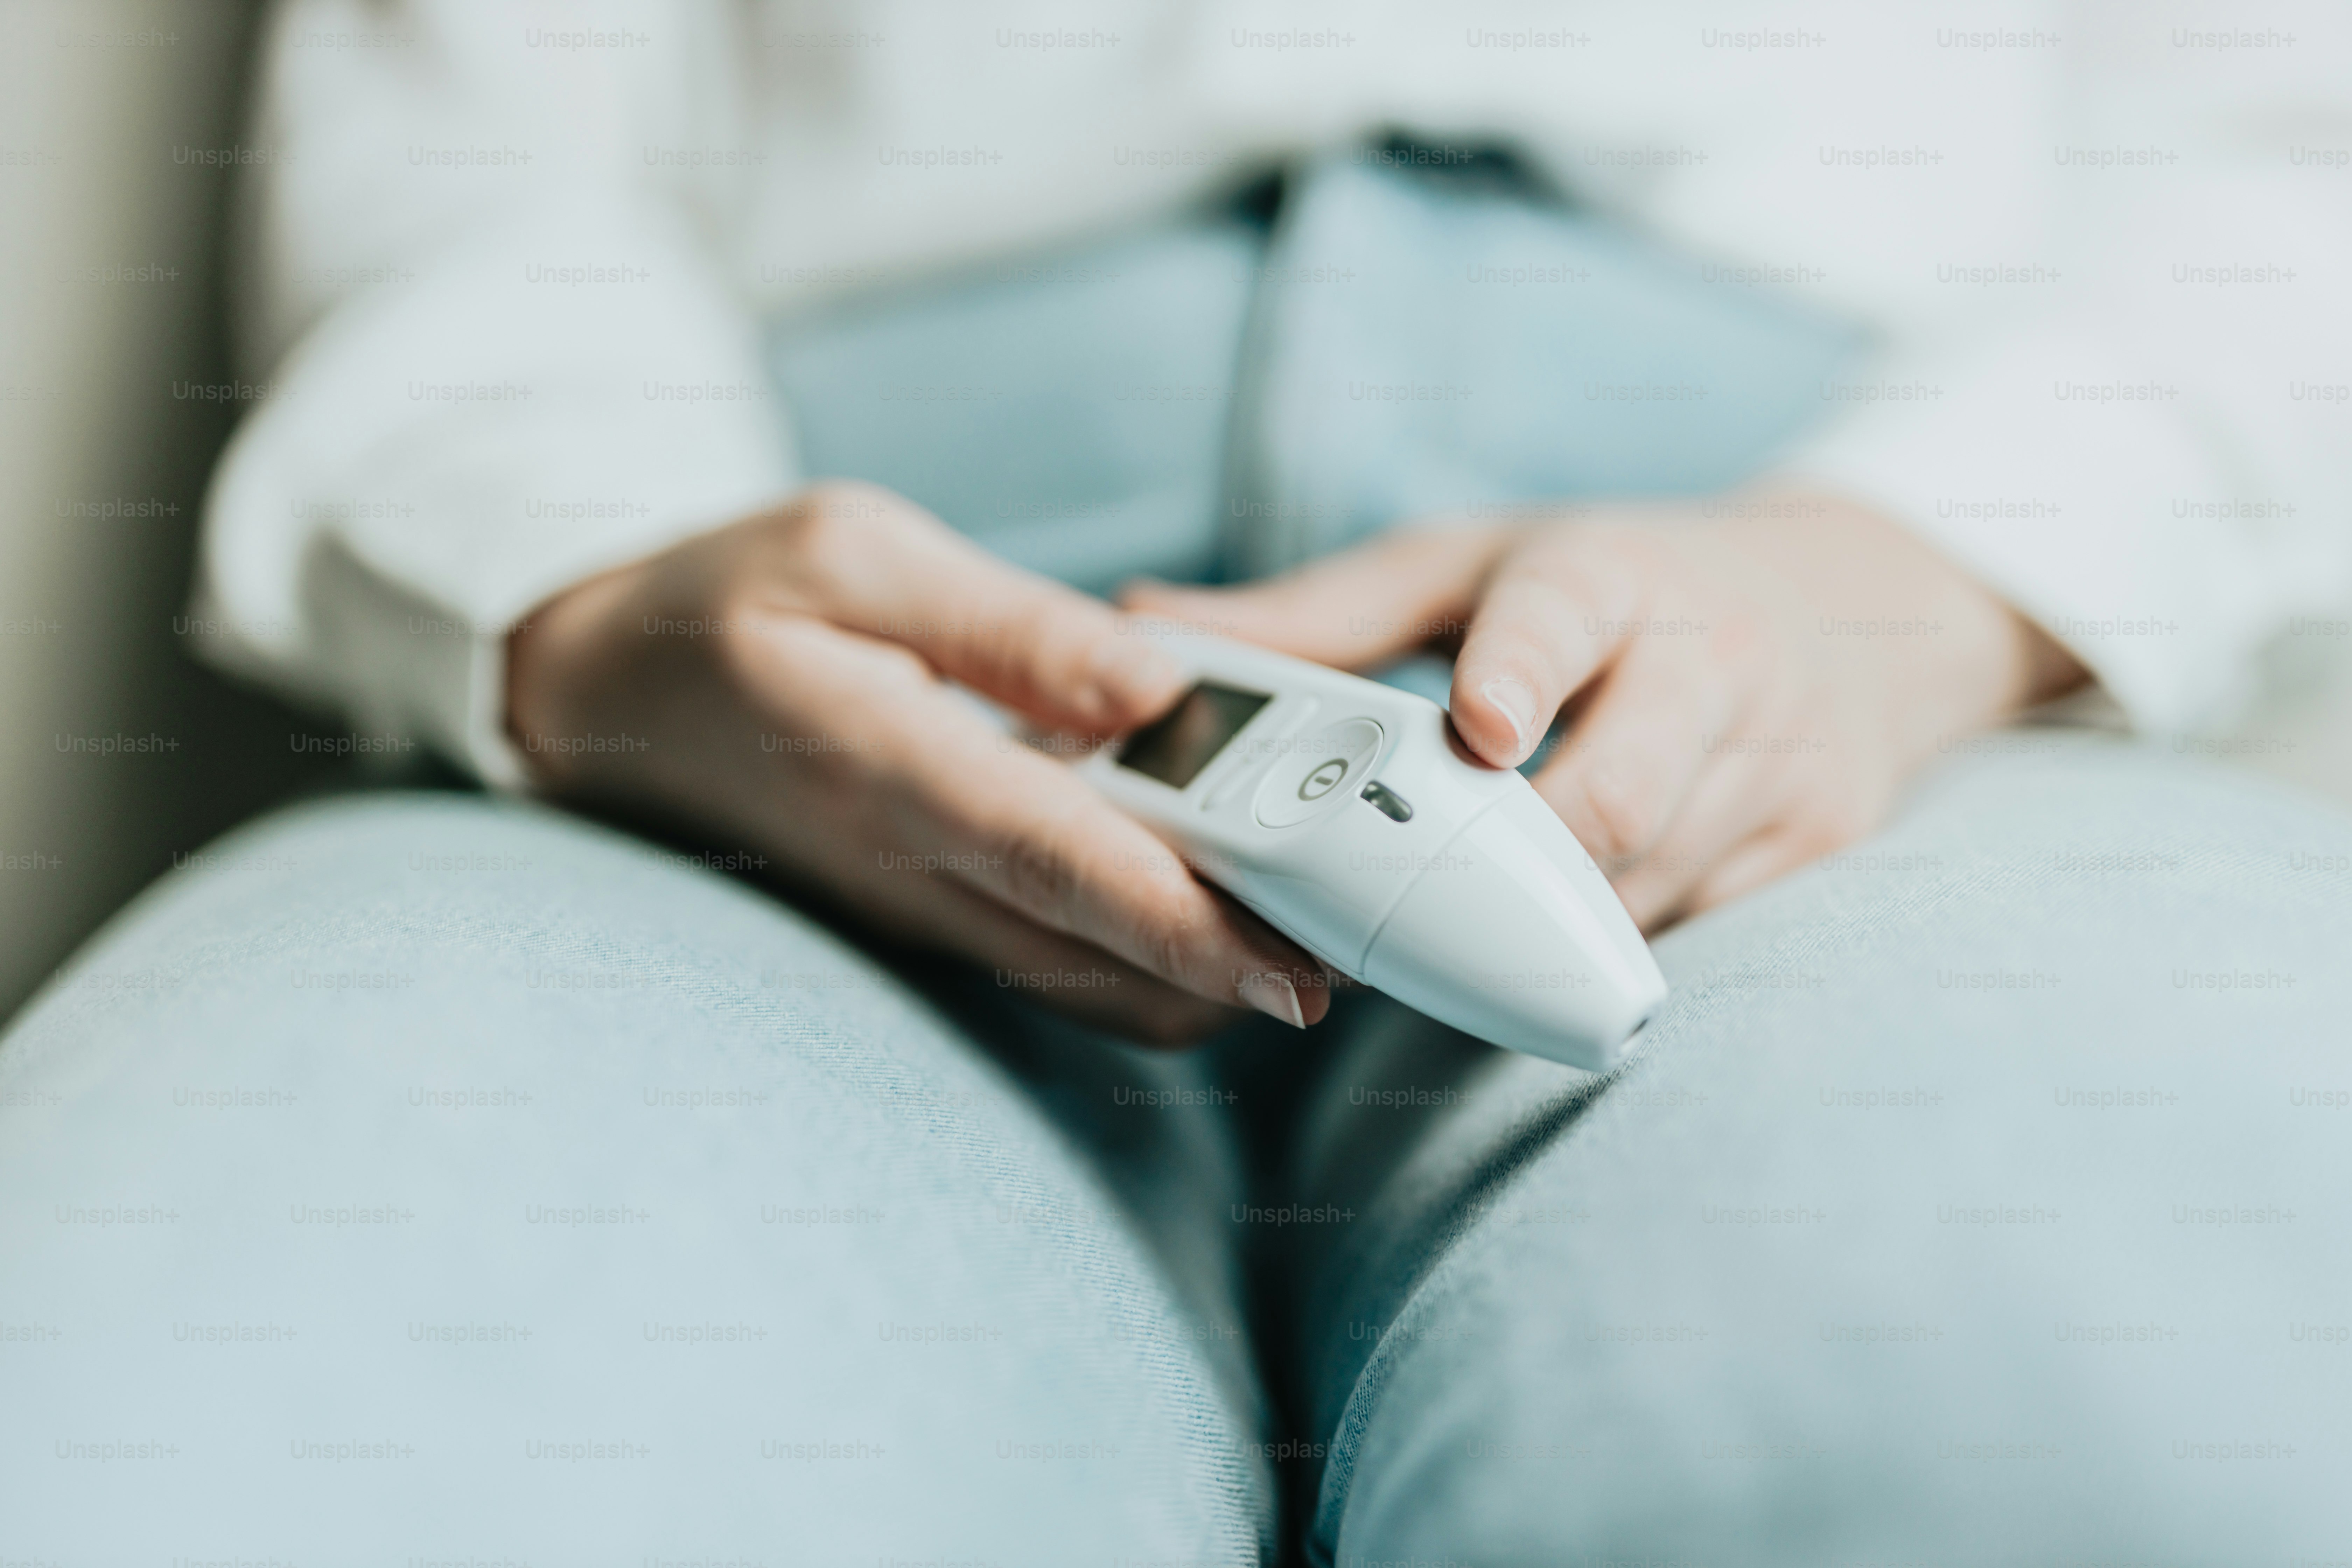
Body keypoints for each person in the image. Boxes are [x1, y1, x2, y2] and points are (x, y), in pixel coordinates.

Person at [3, 1, 2349, 1562]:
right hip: (793, 691)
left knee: (2076, 1350)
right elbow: (463, 150)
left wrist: (1914, 571)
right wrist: (587, 597)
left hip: (1820, 680)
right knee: (288, 1360)